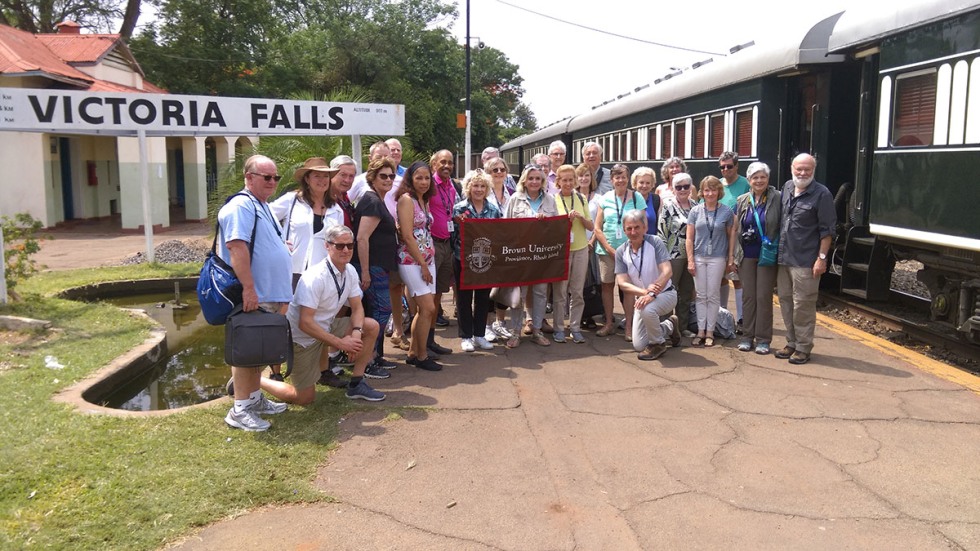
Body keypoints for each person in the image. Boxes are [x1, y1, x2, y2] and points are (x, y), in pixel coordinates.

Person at [259, 225, 386, 404]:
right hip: (302, 338)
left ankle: (356, 383)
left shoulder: (349, 271)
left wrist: (356, 334)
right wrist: (341, 343)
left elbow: (357, 308)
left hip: (325, 328)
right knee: (304, 398)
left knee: (371, 326)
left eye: (350, 246)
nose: (346, 250)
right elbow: (305, 323)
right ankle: (255, 380)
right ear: (327, 246)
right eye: (339, 246)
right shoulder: (315, 277)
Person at [219, 155, 292, 431]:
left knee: (257, 350)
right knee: (246, 351)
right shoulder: (241, 205)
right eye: (267, 177)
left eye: (276, 177)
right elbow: (236, 247)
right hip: (256, 293)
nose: (273, 182)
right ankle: (240, 409)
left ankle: (254, 399)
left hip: (268, 292)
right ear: (249, 178)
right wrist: (249, 289)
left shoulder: (261, 205)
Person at [775, 153, 835, 365]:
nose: (802, 173)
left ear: (813, 171)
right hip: (784, 258)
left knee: (803, 305)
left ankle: (803, 347)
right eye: (799, 169)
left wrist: (821, 258)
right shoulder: (788, 187)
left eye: (807, 170)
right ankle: (791, 342)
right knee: (785, 301)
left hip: (806, 260)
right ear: (792, 167)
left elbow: (827, 231)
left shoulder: (822, 194)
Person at [354, 156, 400, 377]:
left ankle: (375, 356)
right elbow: (362, 239)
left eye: (392, 176)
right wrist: (364, 271)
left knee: (378, 312)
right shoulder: (372, 201)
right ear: (372, 177)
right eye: (383, 175)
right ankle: (368, 360)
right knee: (382, 311)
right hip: (371, 267)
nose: (389, 179)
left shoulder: (379, 200)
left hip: (379, 266)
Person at [395, 161, 443, 371]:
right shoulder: (406, 201)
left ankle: (414, 352)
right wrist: (423, 264)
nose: (424, 182)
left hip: (427, 260)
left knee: (425, 311)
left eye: (427, 178)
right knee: (427, 308)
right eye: (419, 178)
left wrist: (428, 261)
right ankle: (422, 356)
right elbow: (407, 235)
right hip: (412, 261)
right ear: (410, 179)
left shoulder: (424, 200)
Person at [615, 210, 681, 360]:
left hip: (666, 294)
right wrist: (644, 292)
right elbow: (623, 283)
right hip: (643, 298)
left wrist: (652, 293)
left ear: (645, 228)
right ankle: (669, 326)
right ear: (624, 230)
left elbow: (667, 271)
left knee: (647, 309)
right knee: (639, 345)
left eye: (637, 227)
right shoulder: (621, 252)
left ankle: (658, 344)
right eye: (629, 228)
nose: (633, 232)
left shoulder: (655, 242)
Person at [505, 164, 559, 346]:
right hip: (520, 255)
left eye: (538, 179)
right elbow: (506, 227)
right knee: (519, 295)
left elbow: (555, 228)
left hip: (541, 256)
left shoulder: (550, 200)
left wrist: (545, 223)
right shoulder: (515, 199)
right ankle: (515, 332)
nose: (534, 182)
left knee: (540, 293)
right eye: (531, 178)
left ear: (543, 181)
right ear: (524, 181)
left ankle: (536, 330)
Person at [269, 158, 343, 291]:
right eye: (317, 176)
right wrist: (278, 242)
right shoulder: (292, 200)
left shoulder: (336, 210)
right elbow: (265, 218)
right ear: (307, 179)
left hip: (323, 274)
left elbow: (339, 242)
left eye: (325, 176)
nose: (322, 180)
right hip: (292, 271)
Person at [451, 169, 502, 351]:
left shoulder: (494, 210)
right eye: (475, 186)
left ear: (487, 188)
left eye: (482, 186)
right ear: (468, 187)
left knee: (483, 298)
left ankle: (479, 334)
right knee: (464, 299)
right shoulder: (460, 209)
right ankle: (466, 336)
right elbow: (453, 236)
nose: (479, 189)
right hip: (462, 259)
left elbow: (498, 235)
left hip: (485, 261)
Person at [734, 162, 781, 355]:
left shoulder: (777, 198)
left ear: (768, 179)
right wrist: (735, 255)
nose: (759, 180)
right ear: (749, 180)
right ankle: (746, 337)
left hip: (766, 255)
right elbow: (738, 228)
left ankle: (763, 339)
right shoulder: (742, 199)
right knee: (748, 297)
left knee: (763, 297)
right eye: (755, 177)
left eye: (762, 177)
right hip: (747, 254)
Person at [593, 164, 643, 339]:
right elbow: (597, 227)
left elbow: (643, 226)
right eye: (617, 177)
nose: (620, 180)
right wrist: (608, 248)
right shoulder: (604, 199)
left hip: (630, 252)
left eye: (623, 177)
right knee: (607, 287)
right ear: (611, 179)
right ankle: (608, 323)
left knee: (628, 289)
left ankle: (629, 327)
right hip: (606, 251)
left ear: (628, 178)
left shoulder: (637, 198)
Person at [686, 176, 736, 347]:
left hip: (717, 257)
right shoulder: (695, 211)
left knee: (713, 295)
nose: (710, 193)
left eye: (713, 189)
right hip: (699, 256)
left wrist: (731, 258)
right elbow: (689, 238)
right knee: (700, 295)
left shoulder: (727, 212)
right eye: (707, 190)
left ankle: (710, 332)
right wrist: (690, 259)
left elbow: (731, 237)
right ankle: (700, 330)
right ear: (702, 192)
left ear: (719, 191)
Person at [553, 164, 594, 344]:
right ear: (558, 182)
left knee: (577, 291)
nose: (568, 183)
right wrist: (565, 220)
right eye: (564, 180)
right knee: (560, 292)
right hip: (562, 251)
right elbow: (549, 228)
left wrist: (581, 218)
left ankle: (575, 327)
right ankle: (559, 328)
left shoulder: (581, 198)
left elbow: (591, 226)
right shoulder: (552, 200)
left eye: (571, 180)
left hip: (580, 248)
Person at [658, 172, 698, 338]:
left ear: (691, 188)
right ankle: (666, 327)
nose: (682, 189)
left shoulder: (696, 205)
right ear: (673, 189)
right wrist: (662, 259)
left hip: (690, 256)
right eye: (678, 187)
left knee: (685, 292)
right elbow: (661, 232)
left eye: (686, 186)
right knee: (669, 292)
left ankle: (682, 327)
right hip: (672, 256)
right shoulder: (668, 206)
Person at [483, 155, 515, 342]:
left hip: (508, 246)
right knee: (487, 287)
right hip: (489, 246)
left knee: (505, 286)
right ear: (488, 172)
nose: (499, 173)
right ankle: (487, 325)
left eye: (502, 169)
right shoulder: (483, 192)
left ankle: (500, 323)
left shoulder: (512, 192)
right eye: (495, 170)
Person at [428, 149, 459, 344]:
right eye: (443, 162)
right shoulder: (428, 184)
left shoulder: (452, 186)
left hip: (447, 244)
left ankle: (430, 341)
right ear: (434, 164)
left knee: (438, 294)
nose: (447, 166)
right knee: (427, 298)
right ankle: (422, 342)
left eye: (450, 162)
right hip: (431, 244)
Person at [718, 151, 751, 329]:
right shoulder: (718, 184)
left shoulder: (745, 184)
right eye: (722, 167)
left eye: (729, 166)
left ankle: (741, 318)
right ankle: (723, 314)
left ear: (737, 166)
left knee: (737, 277)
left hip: (737, 237)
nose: (725, 170)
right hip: (719, 237)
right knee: (722, 277)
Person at [329, 155, 358, 231]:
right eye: (343, 175)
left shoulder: (344, 197)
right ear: (332, 174)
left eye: (351, 176)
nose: (347, 180)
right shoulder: (324, 198)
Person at [632, 167, 661, 233]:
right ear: (635, 183)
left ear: (652, 184)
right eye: (641, 182)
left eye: (648, 183)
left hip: (652, 241)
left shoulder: (656, 200)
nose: (644, 186)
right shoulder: (629, 198)